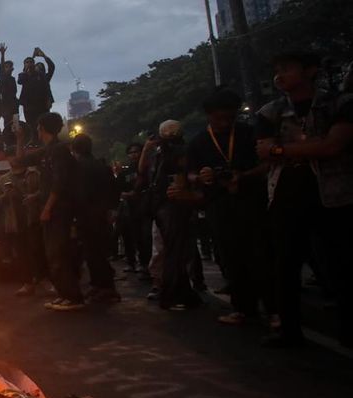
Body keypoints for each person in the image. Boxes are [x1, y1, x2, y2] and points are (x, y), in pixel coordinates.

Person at [256, 51, 353, 347]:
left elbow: (334, 146)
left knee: (342, 261)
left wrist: (282, 151)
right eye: (277, 69)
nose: (279, 75)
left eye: (286, 68)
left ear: (310, 70)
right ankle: (288, 329)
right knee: (286, 264)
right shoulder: (269, 112)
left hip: (335, 193)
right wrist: (314, 146)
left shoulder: (339, 103)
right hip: (287, 194)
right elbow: (263, 151)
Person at [190, 87, 276, 327]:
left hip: (253, 202)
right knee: (231, 257)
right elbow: (190, 174)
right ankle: (243, 307)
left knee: (261, 255)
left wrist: (243, 176)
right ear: (210, 115)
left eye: (231, 116)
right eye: (220, 117)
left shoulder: (249, 133)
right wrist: (201, 177)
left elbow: (268, 164)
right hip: (219, 205)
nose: (226, 121)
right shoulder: (199, 141)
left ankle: (275, 309)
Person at [17, 113, 84, 311]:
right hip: (52, 210)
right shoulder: (47, 151)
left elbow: (59, 183)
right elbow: (19, 161)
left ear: (43, 128)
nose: (37, 131)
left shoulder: (59, 151)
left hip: (59, 211)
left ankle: (72, 297)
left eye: (38, 127)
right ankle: (65, 294)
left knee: (58, 252)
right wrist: (20, 139)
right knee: (52, 253)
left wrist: (47, 208)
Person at [147, 120, 203, 311]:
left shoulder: (158, 154)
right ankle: (171, 295)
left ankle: (183, 293)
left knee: (173, 251)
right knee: (176, 252)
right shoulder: (178, 152)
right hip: (174, 206)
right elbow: (182, 177)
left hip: (161, 207)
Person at [71, 134, 120, 303]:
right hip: (101, 215)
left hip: (88, 216)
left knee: (93, 252)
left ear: (74, 149)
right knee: (97, 252)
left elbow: (80, 194)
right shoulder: (101, 165)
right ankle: (100, 285)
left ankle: (105, 287)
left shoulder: (80, 168)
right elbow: (113, 189)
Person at [0, 156, 45, 295]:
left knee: (38, 250)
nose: (13, 160)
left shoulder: (34, 174)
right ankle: (27, 283)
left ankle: (46, 281)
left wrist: (33, 196)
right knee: (21, 254)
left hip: (34, 218)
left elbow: (46, 191)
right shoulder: (3, 179)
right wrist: (5, 195)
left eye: (15, 157)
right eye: (10, 157)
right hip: (15, 221)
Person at [115, 143, 143, 272]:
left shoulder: (145, 168)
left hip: (143, 207)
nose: (133, 155)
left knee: (142, 237)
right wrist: (125, 194)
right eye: (131, 152)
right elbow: (118, 188)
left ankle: (143, 263)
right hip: (128, 208)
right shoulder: (126, 171)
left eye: (136, 152)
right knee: (127, 235)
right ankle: (131, 261)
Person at [18, 48, 55, 144]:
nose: (29, 64)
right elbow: (20, 81)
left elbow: (51, 67)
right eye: (27, 62)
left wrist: (44, 56)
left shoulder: (42, 76)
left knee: (44, 124)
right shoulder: (24, 76)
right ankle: (34, 141)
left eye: (31, 62)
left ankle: (45, 141)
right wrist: (26, 68)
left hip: (41, 105)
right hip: (29, 106)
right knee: (31, 125)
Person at [0, 43, 19, 144]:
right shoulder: (2, 77)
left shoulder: (13, 79)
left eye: (9, 67)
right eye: (6, 66)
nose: (7, 68)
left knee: (15, 123)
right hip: (6, 105)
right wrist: (2, 55)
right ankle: (8, 142)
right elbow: (1, 67)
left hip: (14, 104)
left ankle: (15, 141)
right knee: (7, 123)